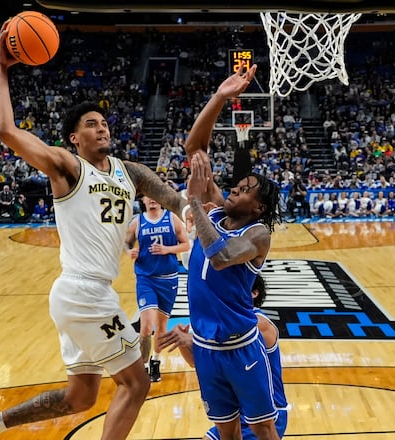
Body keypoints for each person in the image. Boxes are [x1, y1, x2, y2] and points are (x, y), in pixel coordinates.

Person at [0, 24, 189, 440]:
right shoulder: (68, 166)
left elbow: (170, 197)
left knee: (80, 397)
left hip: (84, 294)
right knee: (137, 383)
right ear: (74, 138)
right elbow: (7, 131)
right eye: (91, 124)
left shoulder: (130, 172)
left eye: (104, 123)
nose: (102, 128)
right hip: (84, 293)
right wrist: (0, 67)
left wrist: (193, 212)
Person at [181, 65, 281, 439]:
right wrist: (220, 97)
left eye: (246, 188)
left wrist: (195, 201)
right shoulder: (217, 211)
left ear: (259, 207)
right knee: (226, 432)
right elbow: (195, 149)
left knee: (262, 427)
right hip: (206, 347)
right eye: (237, 184)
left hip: (241, 347)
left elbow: (221, 257)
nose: (237, 187)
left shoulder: (258, 234)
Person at [158, 276, 289, 440]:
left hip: (269, 410)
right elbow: (194, 362)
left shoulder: (261, 324)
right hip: (239, 411)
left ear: (253, 293)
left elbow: (230, 337)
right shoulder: (218, 325)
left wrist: (192, 339)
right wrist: (182, 341)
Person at [124, 196, 189, 382]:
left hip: (168, 280)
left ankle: (155, 360)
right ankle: (143, 367)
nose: (152, 199)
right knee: (146, 326)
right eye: (149, 196)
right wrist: (129, 251)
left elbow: (186, 244)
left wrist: (167, 250)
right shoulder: (137, 222)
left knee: (161, 327)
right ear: (144, 199)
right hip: (146, 279)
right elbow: (127, 243)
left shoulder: (172, 218)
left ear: (160, 200)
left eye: (155, 197)